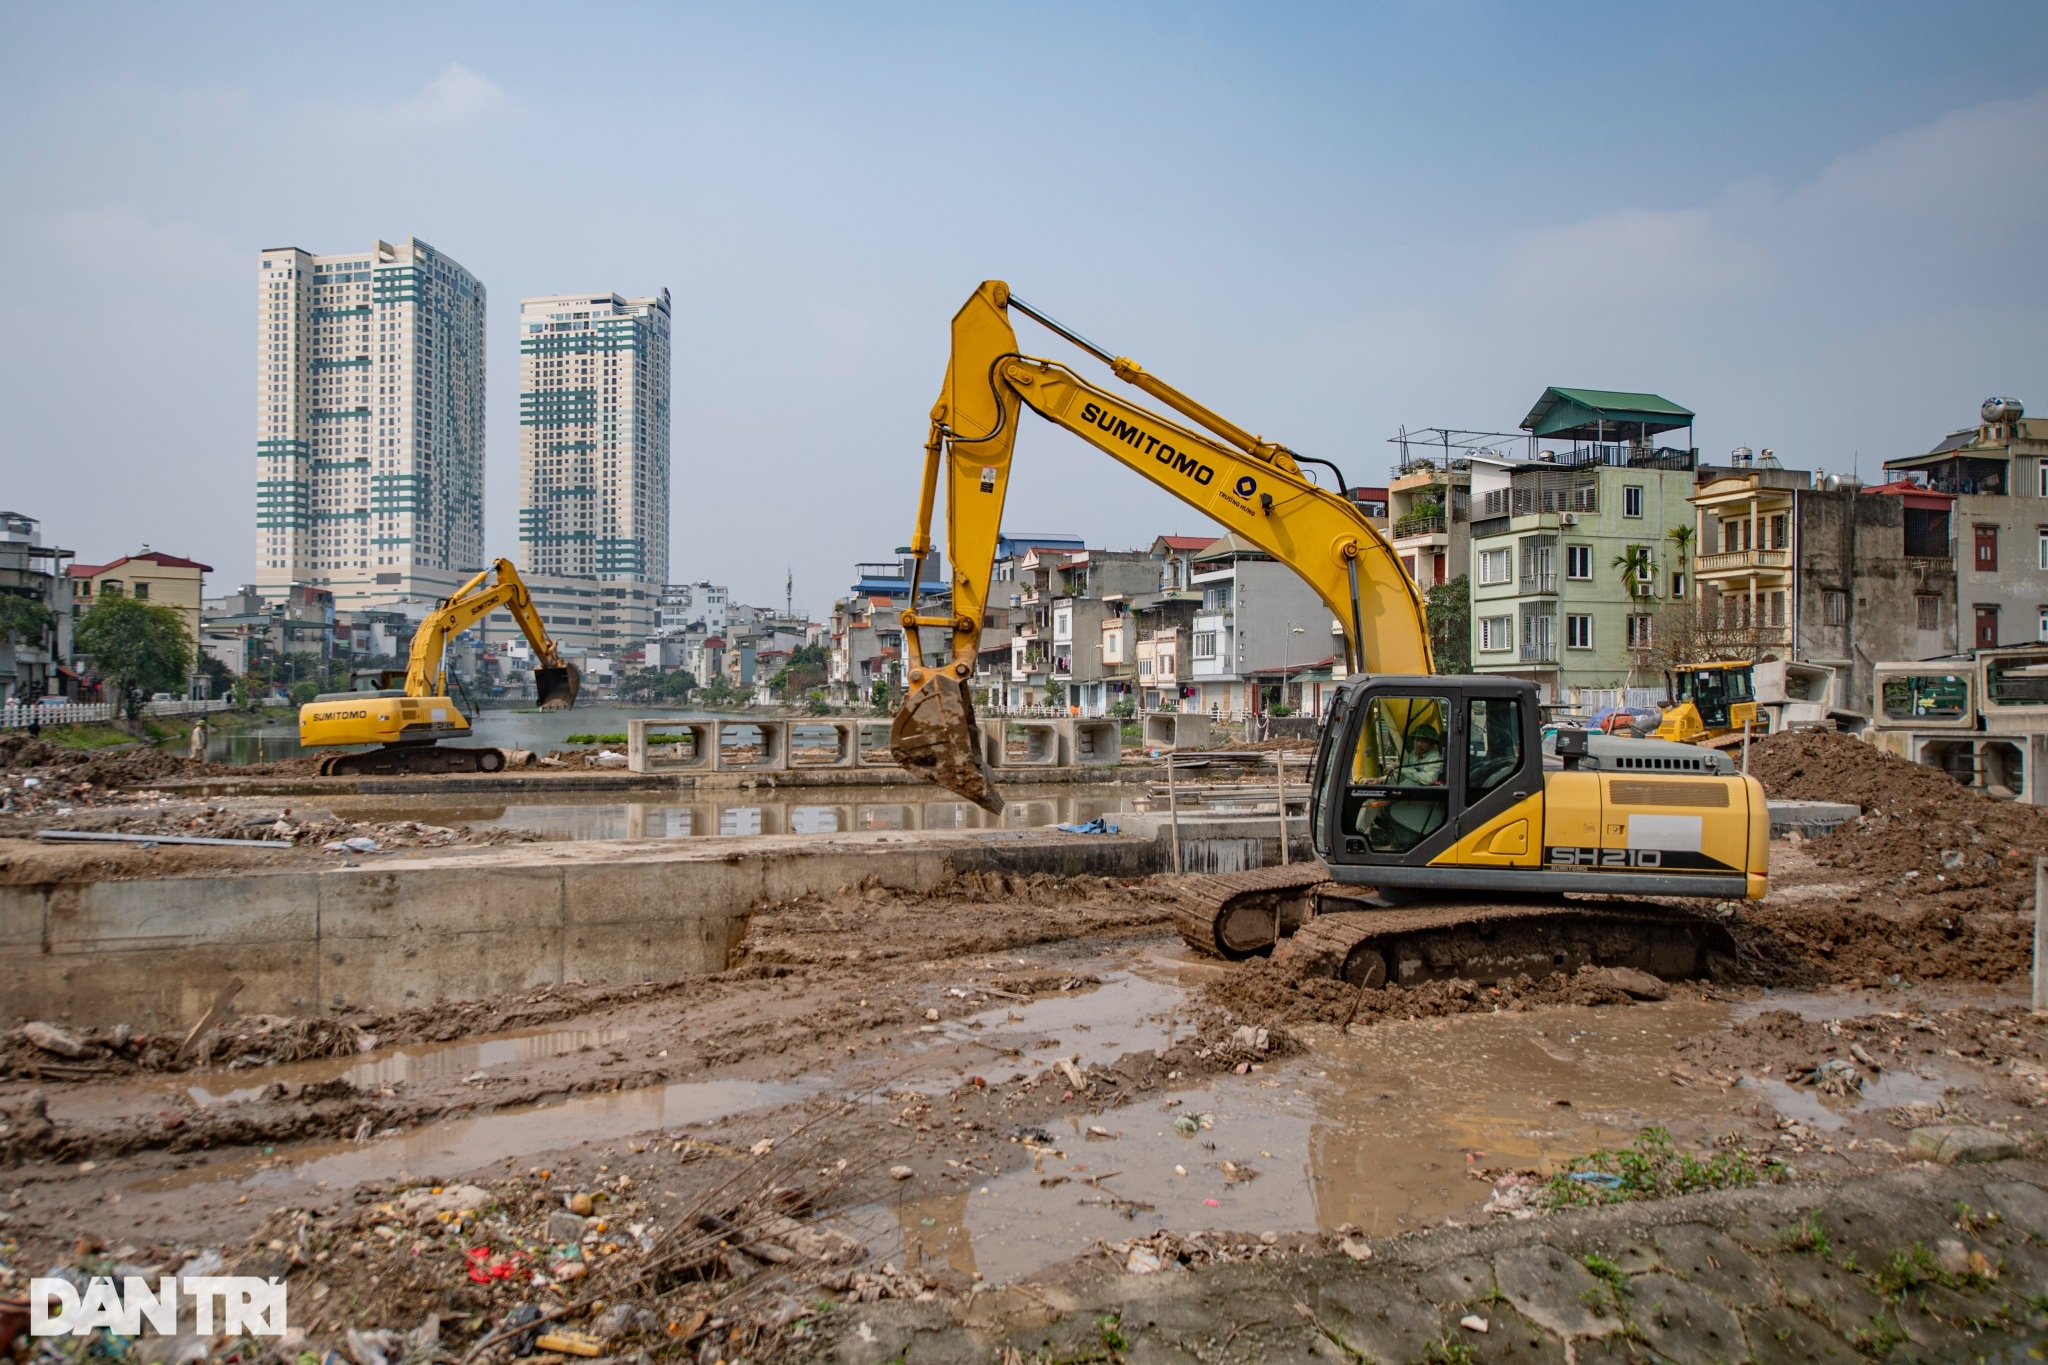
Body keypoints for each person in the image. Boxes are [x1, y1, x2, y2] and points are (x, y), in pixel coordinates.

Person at [1395, 722, 1446, 786]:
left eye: (1424, 741)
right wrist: (1382, 779)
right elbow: (1403, 772)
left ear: (1432, 742)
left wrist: (1402, 770)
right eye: (1417, 740)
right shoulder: (1414, 753)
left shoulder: (1435, 758)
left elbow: (1428, 779)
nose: (1419, 744)